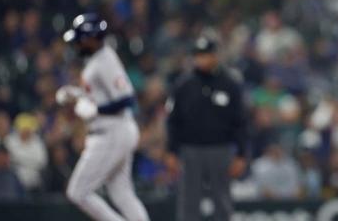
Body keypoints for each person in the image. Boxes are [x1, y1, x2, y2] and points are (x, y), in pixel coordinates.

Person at [55, 13, 150, 221]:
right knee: (121, 193)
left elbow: (126, 99)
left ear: (92, 38)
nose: (77, 44)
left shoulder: (105, 60)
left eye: (81, 39)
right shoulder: (98, 59)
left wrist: (96, 110)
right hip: (114, 130)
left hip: (111, 131)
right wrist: (76, 95)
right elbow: (100, 98)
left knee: (78, 192)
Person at [167, 34, 248, 221]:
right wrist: (171, 151)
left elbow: (241, 122)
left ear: (215, 55)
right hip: (190, 149)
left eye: (206, 54)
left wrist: (241, 154)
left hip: (220, 149)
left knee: (222, 199)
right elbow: (173, 120)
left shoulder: (230, 83)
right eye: (198, 54)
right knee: (189, 200)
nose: (202, 59)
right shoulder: (183, 85)